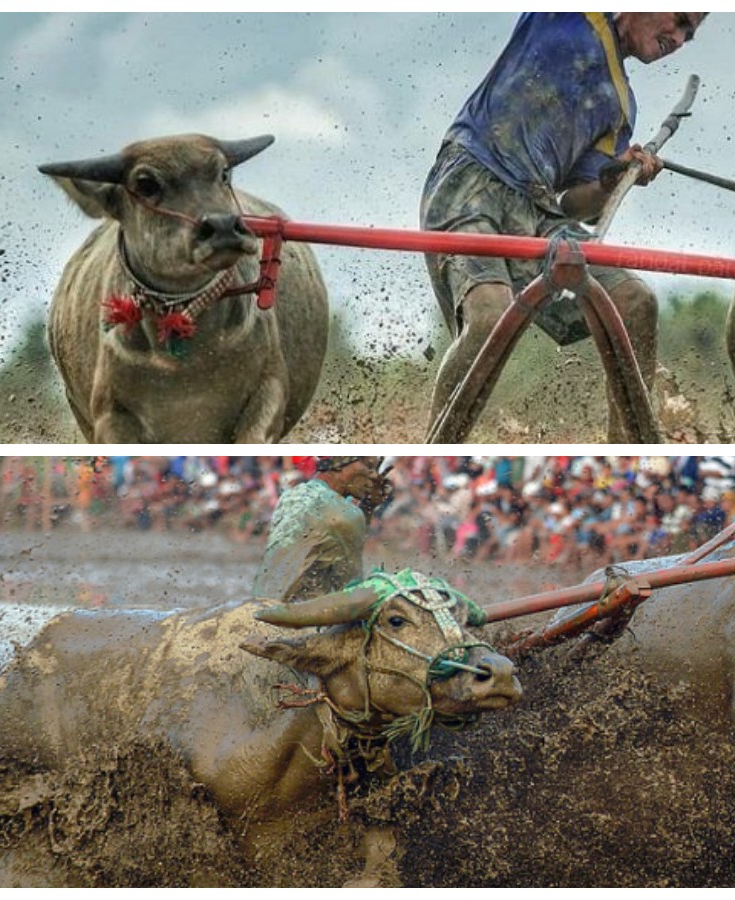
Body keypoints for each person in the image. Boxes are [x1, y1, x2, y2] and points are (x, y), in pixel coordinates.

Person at [422, 12, 708, 441]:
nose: (681, 38)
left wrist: (613, 177)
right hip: (470, 181)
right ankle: (434, 451)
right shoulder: (566, 15)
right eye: (681, 20)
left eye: (691, 32)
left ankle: (630, 452)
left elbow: (577, 204)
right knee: (489, 316)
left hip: (536, 210)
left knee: (635, 301)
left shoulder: (620, 105)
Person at [252, 457, 393, 603]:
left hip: (259, 607)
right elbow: (351, 592)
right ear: (339, 462)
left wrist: (368, 507)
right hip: (296, 619)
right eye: (369, 466)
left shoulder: (291, 496)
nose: (375, 476)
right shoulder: (344, 514)